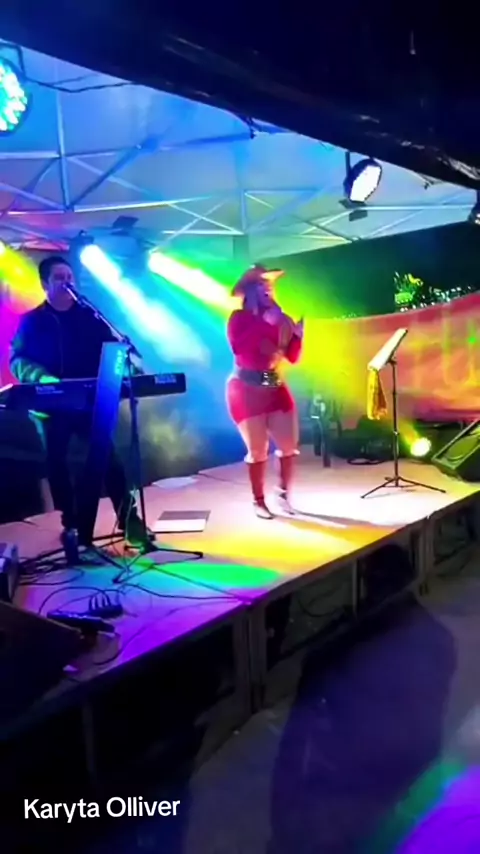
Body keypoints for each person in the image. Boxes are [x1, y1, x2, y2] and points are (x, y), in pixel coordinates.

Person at [9, 255, 152, 547]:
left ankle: (130, 522)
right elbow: (17, 360)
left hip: (88, 402)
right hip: (52, 407)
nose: (67, 283)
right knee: (57, 465)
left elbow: (115, 349)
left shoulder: (89, 317)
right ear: (44, 284)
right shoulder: (33, 321)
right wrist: (41, 376)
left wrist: (130, 367)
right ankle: (72, 528)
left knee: (108, 459)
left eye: (69, 277)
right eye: (59, 278)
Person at [226, 265, 304, 518]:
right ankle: (258, 501)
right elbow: (239, 349)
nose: (269, 287)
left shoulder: (282, 318)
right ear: (251, 291)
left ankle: (282, 494)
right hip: (245, 386)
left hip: (271, 381)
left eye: (270, 284)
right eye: (262, 284)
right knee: (258, 449)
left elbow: (292, 357)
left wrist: (298, 337)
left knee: (289, 444)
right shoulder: (239, 318)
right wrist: (263, 323)